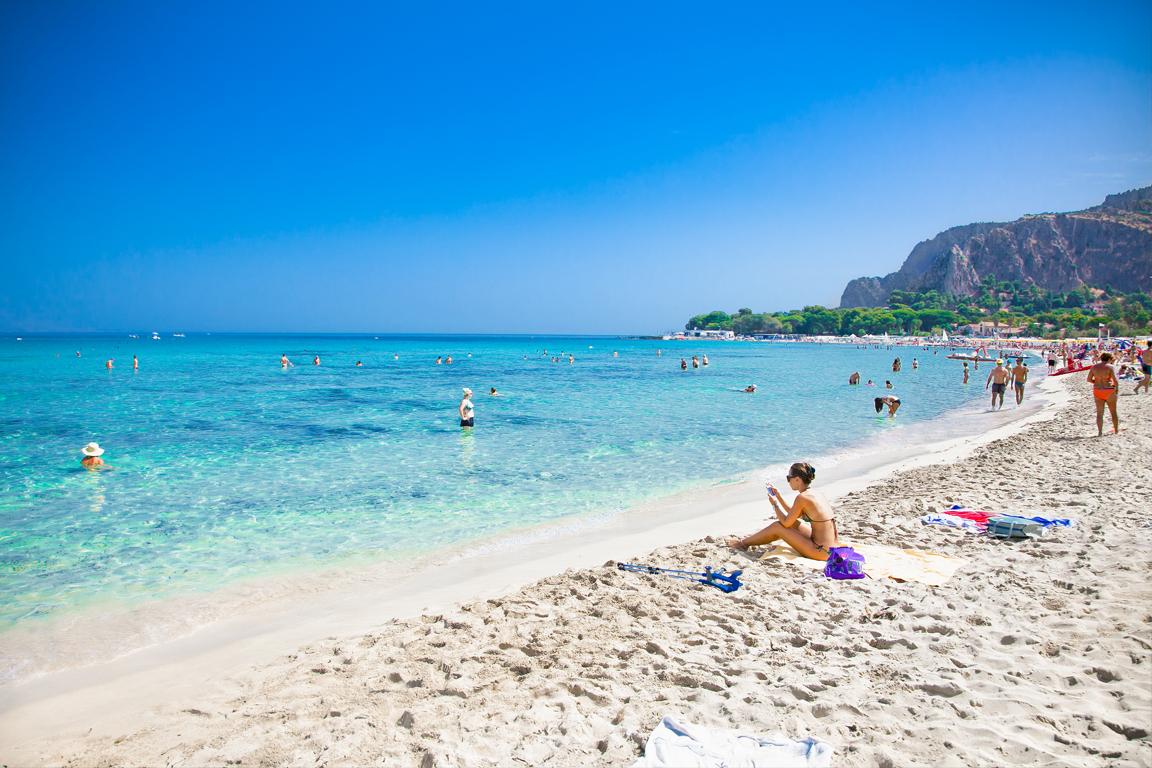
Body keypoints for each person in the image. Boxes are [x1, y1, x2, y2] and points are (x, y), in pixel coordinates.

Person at [727, 463, 839, 560]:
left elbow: (785, 523)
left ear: (797, 479)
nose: (788, 481)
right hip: (832, 547)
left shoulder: (802, 498)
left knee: (777, 526)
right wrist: (779, 497)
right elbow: (795, 514)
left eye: (788, 478)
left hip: (823, 552)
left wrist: (775, 505)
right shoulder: (816, 493)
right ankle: (745, 543)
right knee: (793, 523)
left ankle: (743, 544)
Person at [1087, 352, 1120, 436]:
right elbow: (1115, 380)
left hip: (1097, 390)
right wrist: (1117, 390)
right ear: (1109, 359)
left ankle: (1100, 432)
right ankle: (1116, 431)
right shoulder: (1110, 367)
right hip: (1109, 390)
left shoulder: (1094, 367)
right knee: (1113, 412)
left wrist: (1096, 382)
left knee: (1099, 413)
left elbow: (1089, 379)